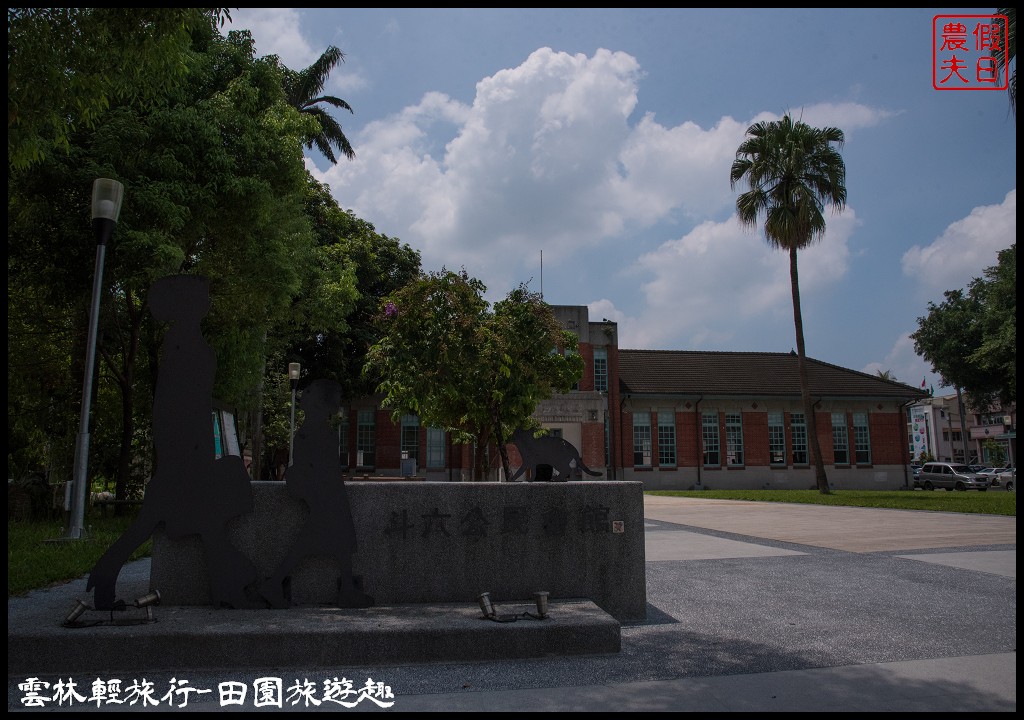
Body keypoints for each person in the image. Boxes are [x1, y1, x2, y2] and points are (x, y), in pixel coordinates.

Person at [260, 379, 373, 609]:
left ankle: (346, 590)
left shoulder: (314, 431)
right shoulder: (316, 433)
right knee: (315, 543)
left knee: (330, 544)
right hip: (325, 497)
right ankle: (274, 584)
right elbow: (322, 470)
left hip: (325, 496)